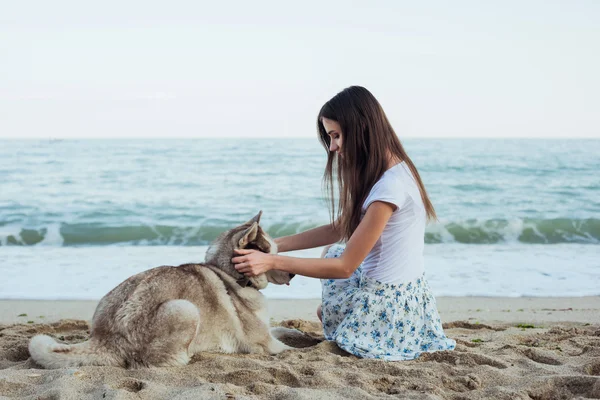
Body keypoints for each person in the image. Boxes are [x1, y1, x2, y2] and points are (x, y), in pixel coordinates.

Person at [232, 86, 455, 360]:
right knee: (334, 249)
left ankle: (345, 317)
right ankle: (338, 312)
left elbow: (345, 267)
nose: (332, 146)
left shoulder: (391, 187)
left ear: (361, 127)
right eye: (330, 137)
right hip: (410, 294)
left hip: (388, 308)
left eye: (336, 136)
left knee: (336, 265)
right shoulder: (391, 169)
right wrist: (274, 246)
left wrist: (272, 263)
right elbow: (339, 228)